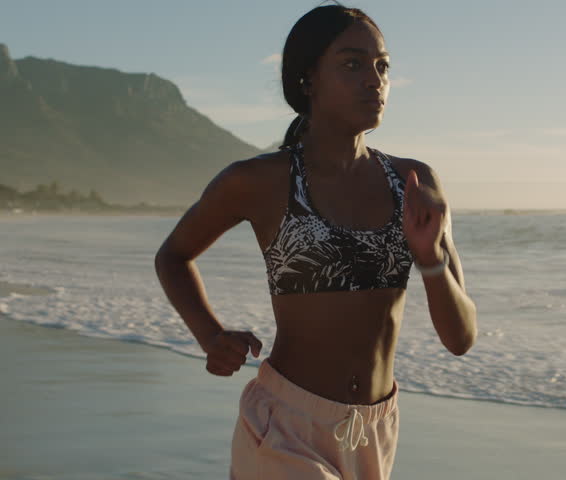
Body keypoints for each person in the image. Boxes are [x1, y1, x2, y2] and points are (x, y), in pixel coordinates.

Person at [153, 3, 478, 479]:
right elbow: (174, 256)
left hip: (374, 432)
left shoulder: (412, 181)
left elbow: (461, 338)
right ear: (308, 79)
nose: (375, 79)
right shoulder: (259, 181)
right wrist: (210, 335)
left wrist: (429, 259)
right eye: (352, 64)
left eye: (382, 66)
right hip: (286, 426)